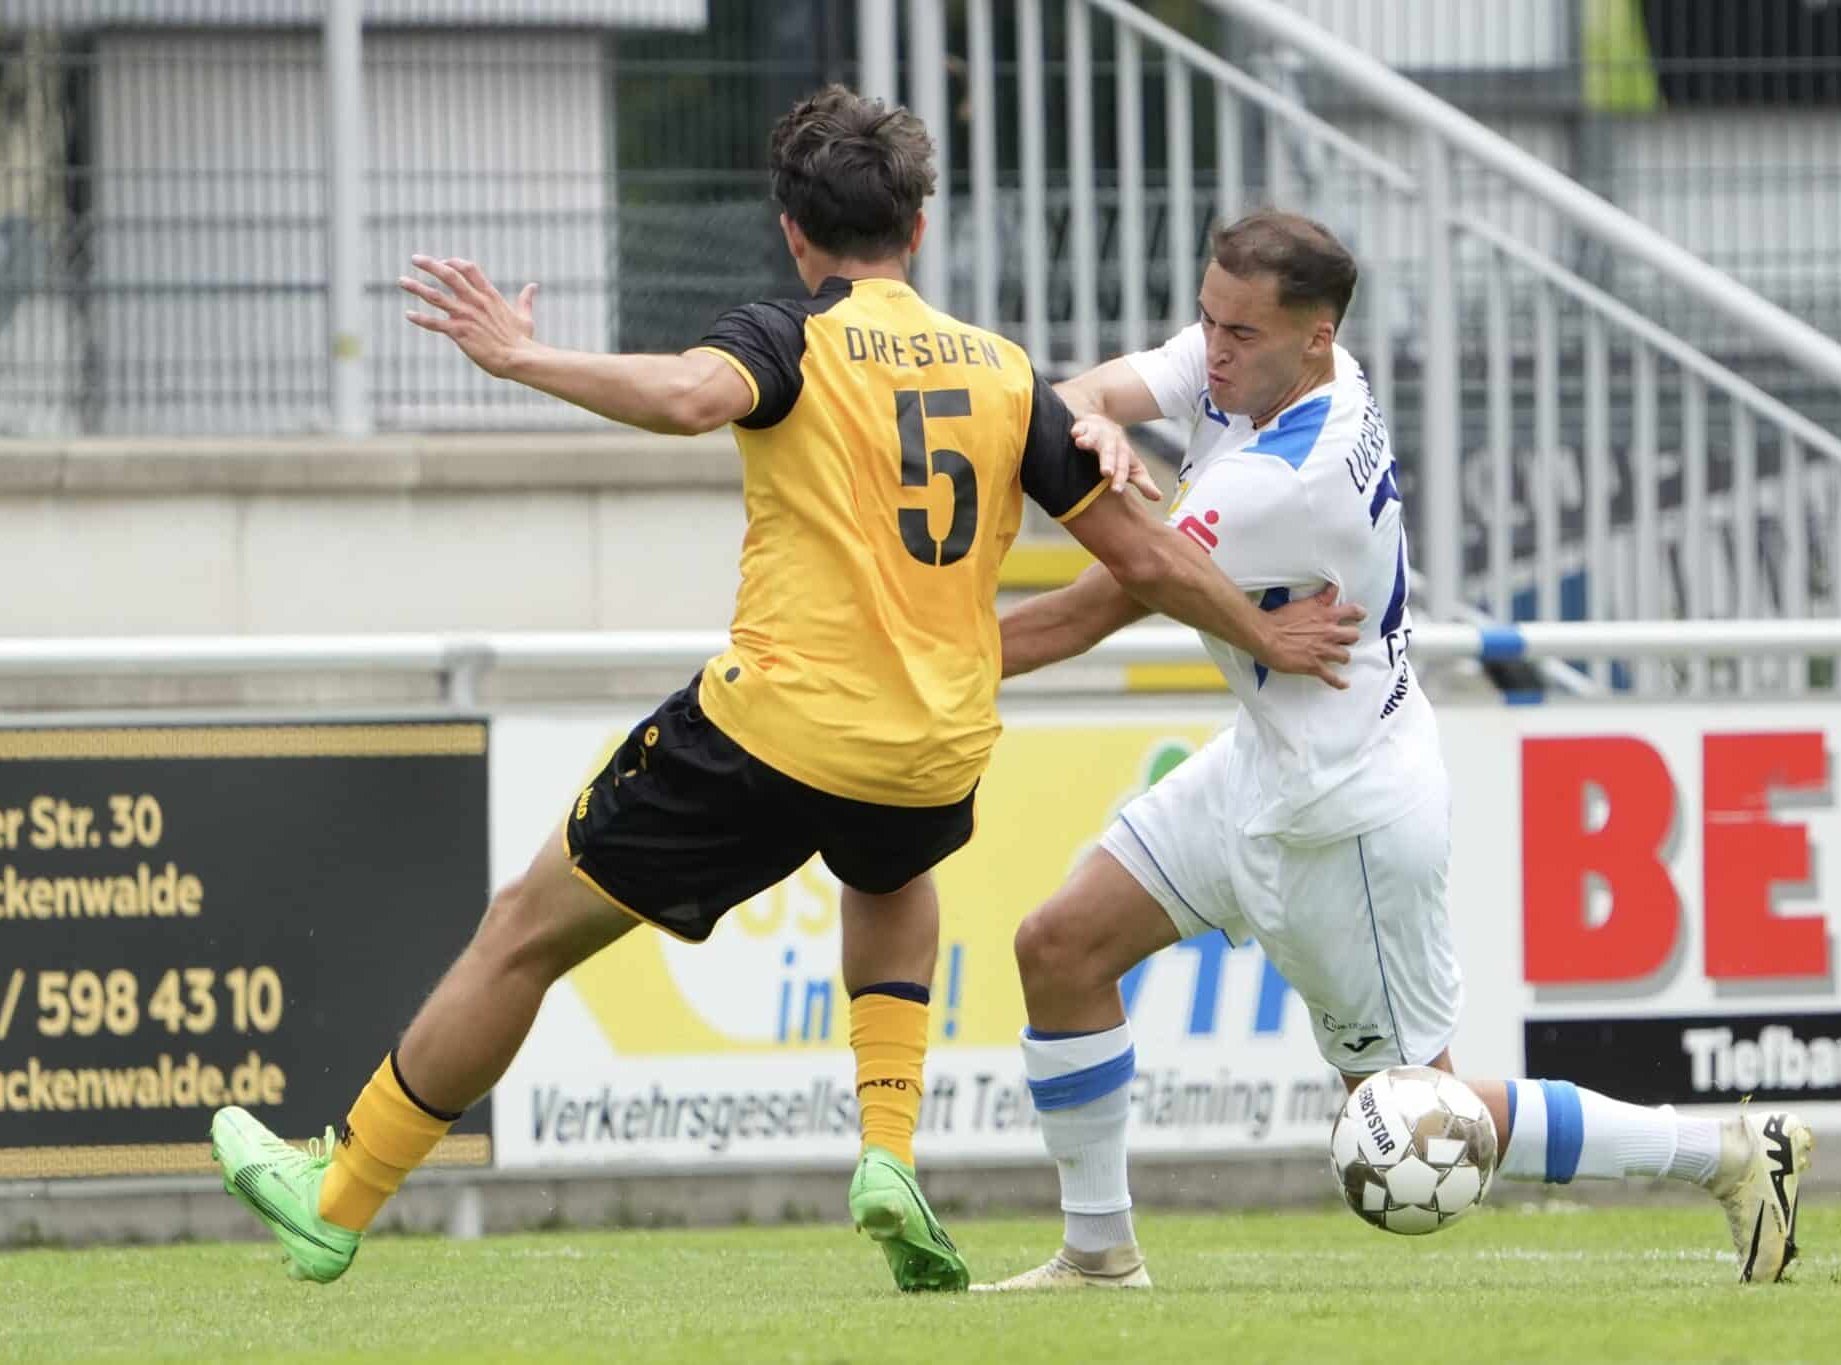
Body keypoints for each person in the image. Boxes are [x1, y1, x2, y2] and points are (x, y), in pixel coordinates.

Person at [206, 90, 1361, 1292]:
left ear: (793, 234)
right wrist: (1262, 639)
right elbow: (1150, 556)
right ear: (917, 230)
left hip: (770, 732)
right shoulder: (1008, 376)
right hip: (930, 756)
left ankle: (335, 1194)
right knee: (889, 870)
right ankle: (885, 1155)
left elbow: (688, 399)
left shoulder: (789, 337)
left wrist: (522, 354)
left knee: (521, 935)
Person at [977, 210, 1813, 1293]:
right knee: (1059, 949)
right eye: (1206, 321)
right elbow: (1079, 402)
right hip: (1263, 765)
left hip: (1346, 816)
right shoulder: (1264, 361)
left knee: (1424, 1114)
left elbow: (1094, 604)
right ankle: (1098, 1255)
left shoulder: (1288, 474)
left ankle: (1732, 1154)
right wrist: (1094, 428)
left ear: (1314, 338)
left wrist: (923, 671)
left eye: (1238, 334)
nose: (1211, 350)